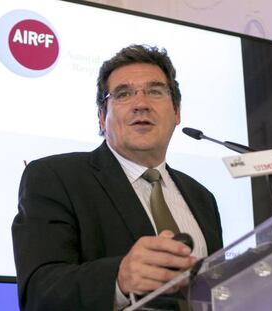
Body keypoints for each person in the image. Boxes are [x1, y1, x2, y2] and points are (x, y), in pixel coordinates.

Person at [12, 44, 223, 311]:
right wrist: (119, 279)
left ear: (177, 111)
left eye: (155, 91)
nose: (141, 104)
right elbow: (39, 293)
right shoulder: (55, 177)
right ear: (102, 118)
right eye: (123, 94)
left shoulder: (202, 197)